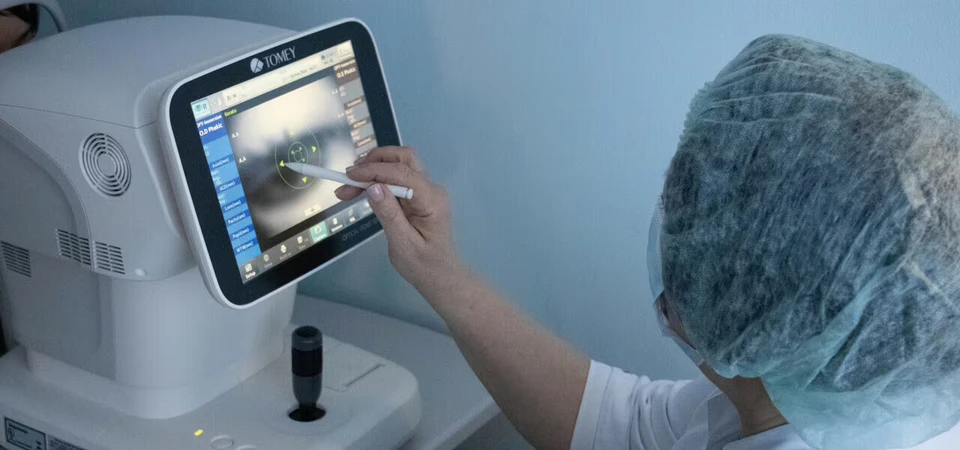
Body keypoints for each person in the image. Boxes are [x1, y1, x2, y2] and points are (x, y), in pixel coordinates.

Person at [336, 35, 960, 450]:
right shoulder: (830, 401)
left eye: (686, 208)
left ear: (748, 314)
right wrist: (439, 271)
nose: (667, 218)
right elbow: (624, 427)